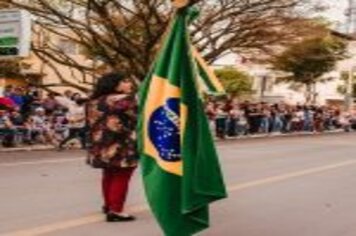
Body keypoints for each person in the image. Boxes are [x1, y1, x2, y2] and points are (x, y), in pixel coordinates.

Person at [86, 73, 138, 222]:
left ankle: (109, 205)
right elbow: (138, 117)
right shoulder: (124, 100)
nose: (129, 84)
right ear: (116, 84)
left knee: (108, 174)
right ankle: (116, 210)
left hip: (99, 143)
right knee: (122, 174)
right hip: (121, 142)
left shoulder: (93, 101)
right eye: (126, 81)